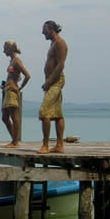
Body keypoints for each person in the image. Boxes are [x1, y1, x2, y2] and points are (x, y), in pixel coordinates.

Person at [38, 20, 68, 154]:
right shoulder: (53, 44)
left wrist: (49, 82)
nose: (42, 32)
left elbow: (61, 65)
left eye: (44, 30)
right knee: (57, 113)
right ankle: (59, 145)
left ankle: (45, 145)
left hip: (55, 81)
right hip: (51, 81)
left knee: (44, 112)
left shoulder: (60, 43)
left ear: (51, 29)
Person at [1, 40, 30, 147]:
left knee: (14, 115)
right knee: (4, 117)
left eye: (5, 48)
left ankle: (15, 141)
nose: (4, 51)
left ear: (11, 49)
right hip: (7, 90)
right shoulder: (11, 61)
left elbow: (27, 75)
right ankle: (14, 138)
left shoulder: (17, 61)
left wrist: (20, 87)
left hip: (12, 91)